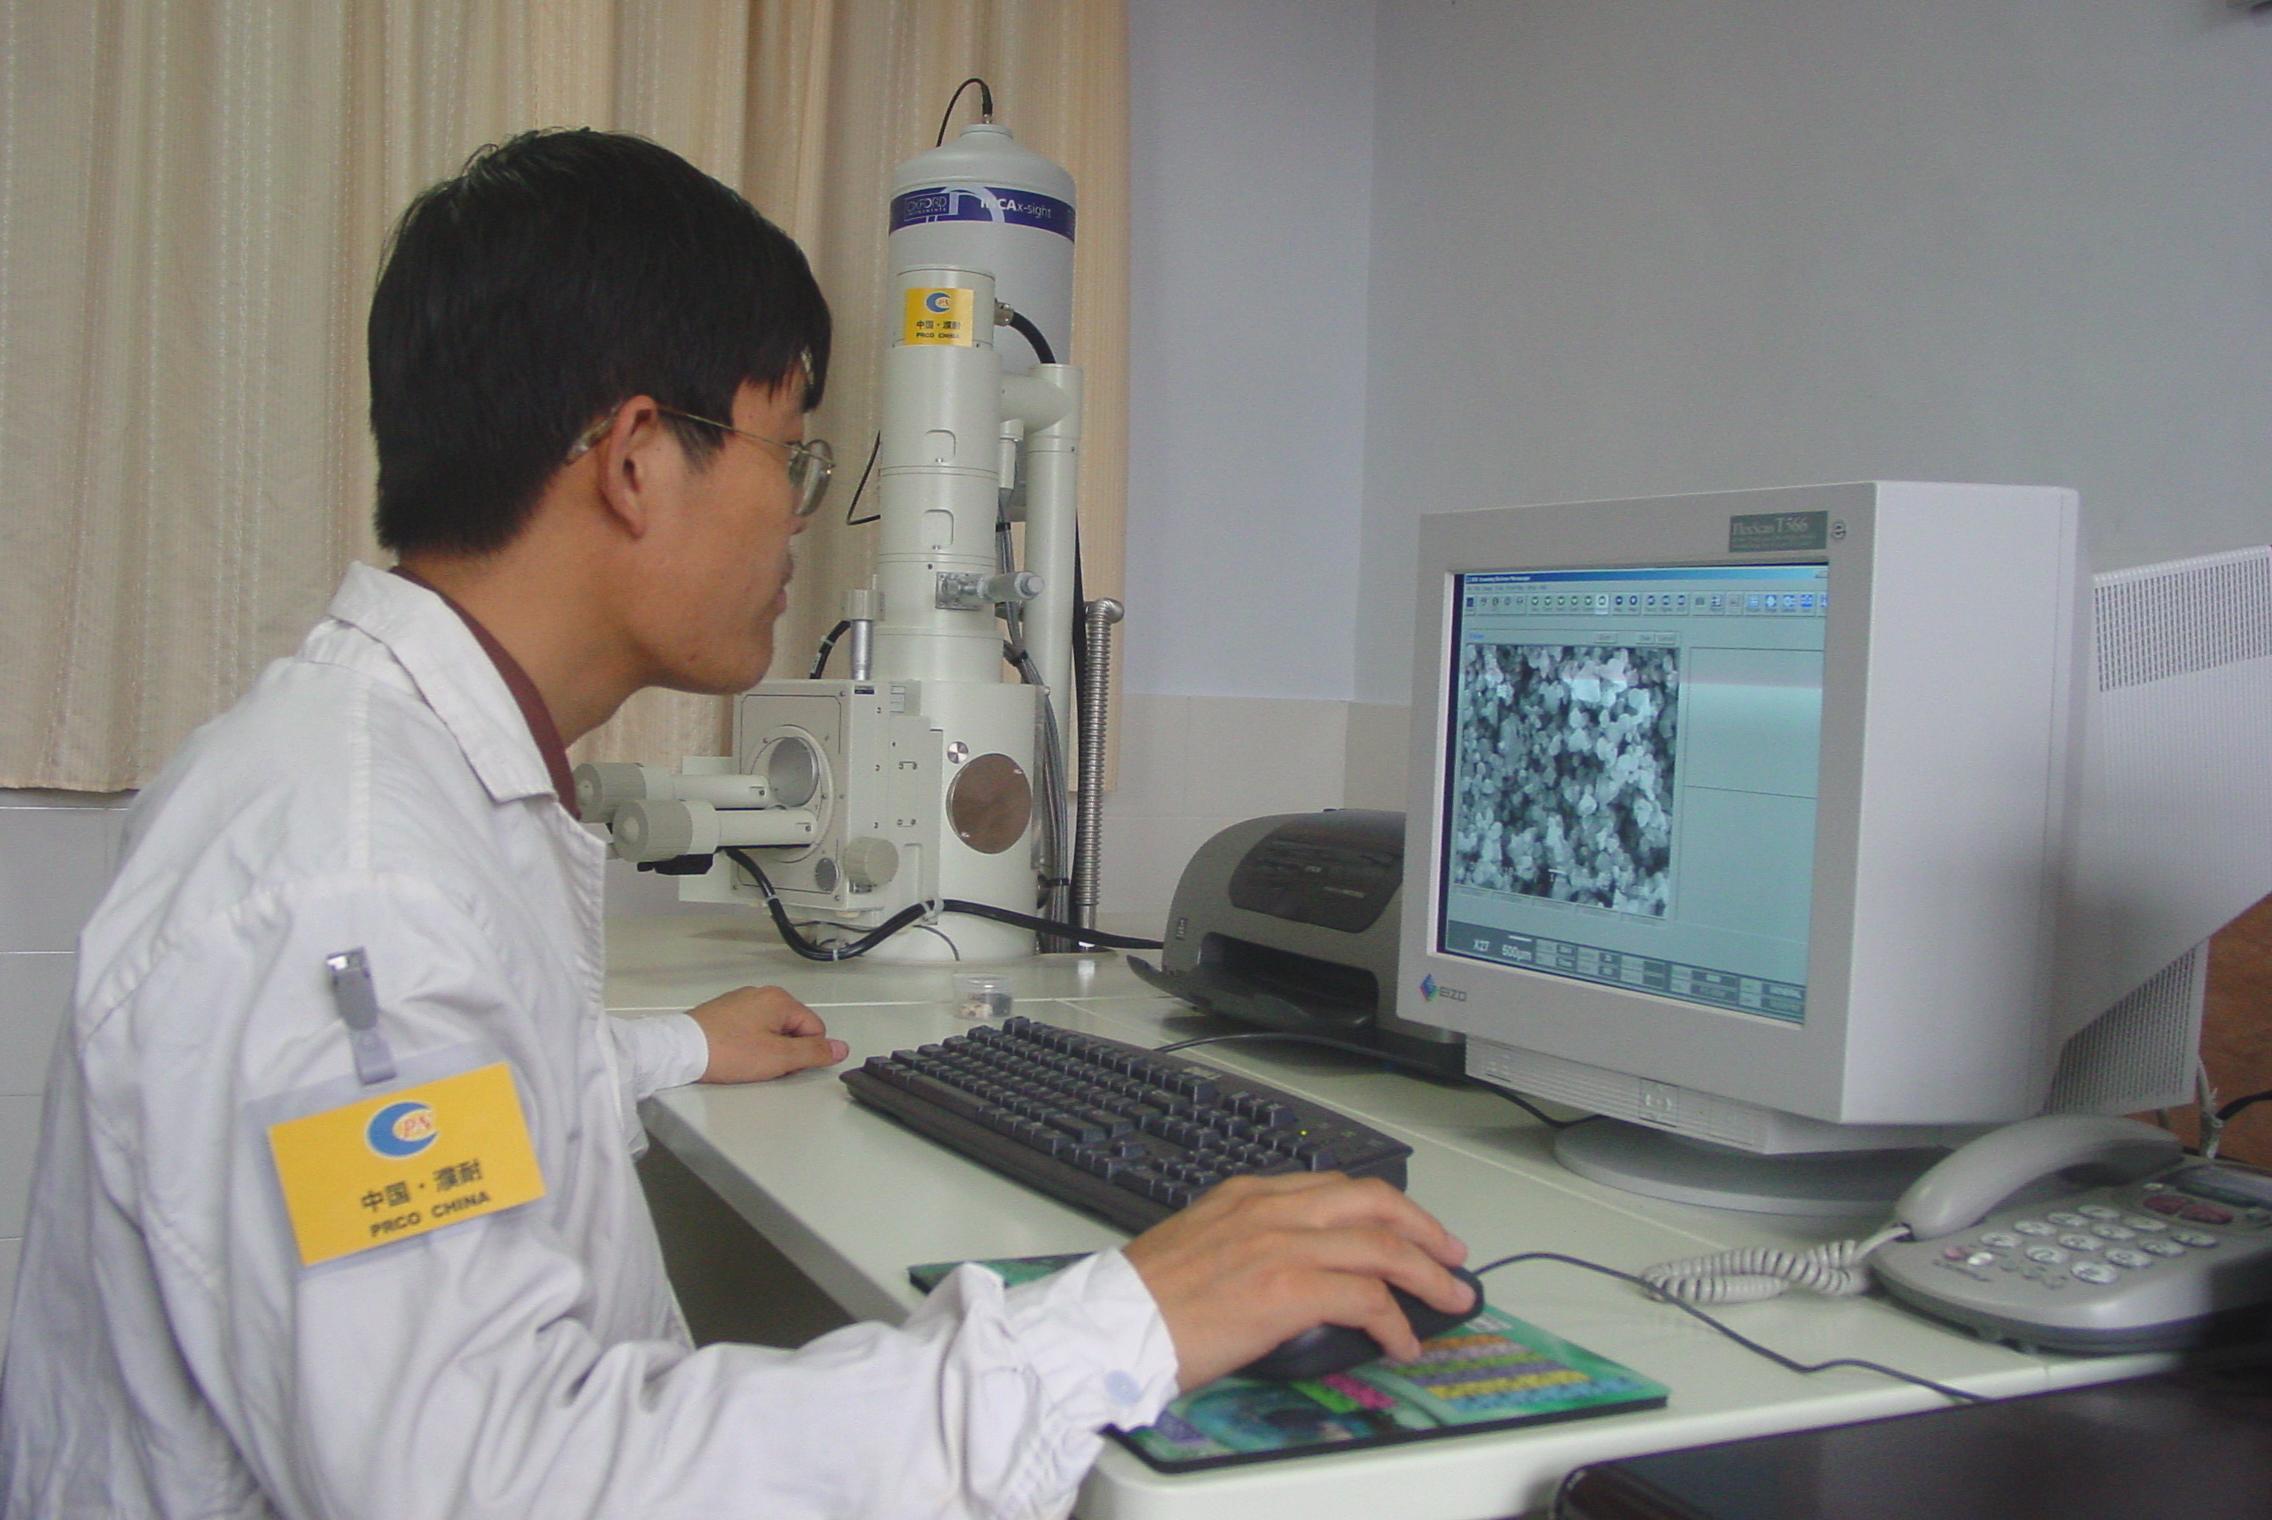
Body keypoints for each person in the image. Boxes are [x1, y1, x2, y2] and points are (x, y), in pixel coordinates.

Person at [0, 129, 1470, 1520]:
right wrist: (1120, 1324)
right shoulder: (351, 882)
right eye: (794, 457)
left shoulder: (379, 783)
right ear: (637, 458)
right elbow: (492, 1487)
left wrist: (666, 1048)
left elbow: (445, 1106)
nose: (799, 517)